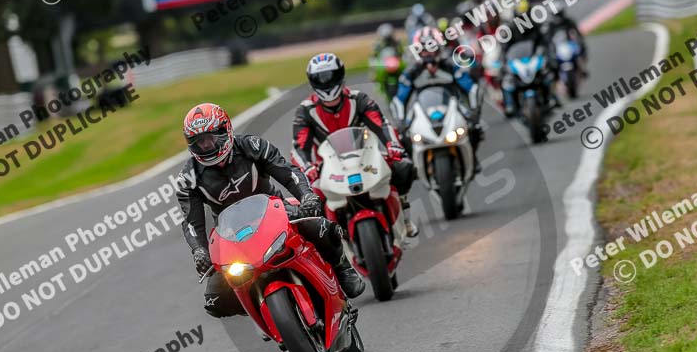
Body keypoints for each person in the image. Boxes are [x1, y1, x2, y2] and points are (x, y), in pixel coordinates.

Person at [176, 102, 365, 318]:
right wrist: (199, 250)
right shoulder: (187, 179)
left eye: (211, 137)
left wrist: (307, 196)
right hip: (230, 233)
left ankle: (342, 268)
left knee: (322, 227)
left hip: (275, 211)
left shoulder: (253, 146)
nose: (207, 146)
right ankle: (261, 309)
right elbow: (192, 222)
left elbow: (288, 172)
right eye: (199, 142)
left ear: (225, 130)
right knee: (214, 300)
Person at [291, 53, 419, 238]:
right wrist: (307, 167)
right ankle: (328, 240)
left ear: (340, 75)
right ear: (313, 81)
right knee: (312, 197)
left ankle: (404, 215)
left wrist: (393, 145)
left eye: (330, 76)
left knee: (403, 167)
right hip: (327, 167)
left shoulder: (359, 98)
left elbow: (381, 123)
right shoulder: (305, 110)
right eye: (320, 78)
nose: (326, 82)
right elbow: (299, 145)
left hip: (365, 157)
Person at [391, 27, 484, 173]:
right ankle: (412, 166)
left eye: (432, 48)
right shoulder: (411, 72)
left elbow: (472, 88)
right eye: (424, 49)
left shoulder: (451, 66)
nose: (428, 54)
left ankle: (472, 157)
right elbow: (399, 99)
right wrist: (400, 121)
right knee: (403, 136)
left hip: (453, 105)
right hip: (421, 109)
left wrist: (474, 111)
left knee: (475, 128)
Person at [549, 5, 588, 73]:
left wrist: (579, 39)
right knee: (550, 56)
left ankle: (581, 67)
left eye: (559, 14)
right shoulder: (551, 25)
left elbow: (577, 32)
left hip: (569, 43)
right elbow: (548, 38)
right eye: (556, 14)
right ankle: (555, 74)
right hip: (558, 46)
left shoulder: (568, 21)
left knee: (581, 48)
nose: (558, 17)